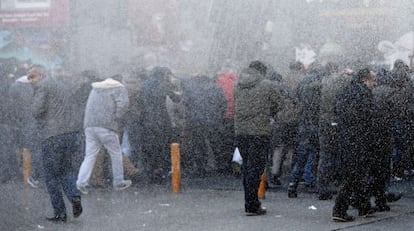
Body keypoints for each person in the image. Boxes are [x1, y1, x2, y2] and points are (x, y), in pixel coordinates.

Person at [30, 66, 82, 223]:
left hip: (52, 135)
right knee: (66, 169)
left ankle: (60, 213)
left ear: (41, 75)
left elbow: (36, 110)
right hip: (70, 133)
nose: (30, 80)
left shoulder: (42, 86)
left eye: (32, 76)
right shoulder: (61, 85)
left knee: (51, 176)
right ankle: (74, 196)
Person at [234, 61, 282, 216]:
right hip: (260, 132)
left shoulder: (238, 84)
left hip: (241, 132)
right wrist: (270, 114)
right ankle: (252, 205)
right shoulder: (267, 85)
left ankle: (250, 201)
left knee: (247, 168)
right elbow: (279, 103)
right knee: (256, 169)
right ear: (262, 71)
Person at [332, 68, 377, 222]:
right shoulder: (364, 94)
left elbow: (337, 110)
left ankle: (364, 206)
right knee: (354, 174)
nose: (375, 84)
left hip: (346, 137)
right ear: (365, 80)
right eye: (373, 80)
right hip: (358, 139)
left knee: (356, 174)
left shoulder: (345, 90)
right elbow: (368, 117)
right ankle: (339, 210)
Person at [76, 75, 132, 194]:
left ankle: (81, 182)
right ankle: (118, 182)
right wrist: (117, 118)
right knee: (116, 154)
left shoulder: (95, 89)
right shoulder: (119, 88)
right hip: (107, 126)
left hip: (89, 126)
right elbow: (123, 105)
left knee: (90, 156)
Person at [140, 67, 181, 184]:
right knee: (162, 147)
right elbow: (176, 98)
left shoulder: (145, 85)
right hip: (161, 120)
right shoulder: (163, 84)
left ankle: (151, 172)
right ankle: (161, 172)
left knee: (150, 148)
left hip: (147, 121)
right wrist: (175, 87)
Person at [9, 75, 43, 188]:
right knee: (35, 149)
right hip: (33, 122)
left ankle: (27, 175)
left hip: (23, 123)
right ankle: (34, 176)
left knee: (25, 148)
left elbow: (14, 107)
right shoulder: (35, 89)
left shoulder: (16, 87)